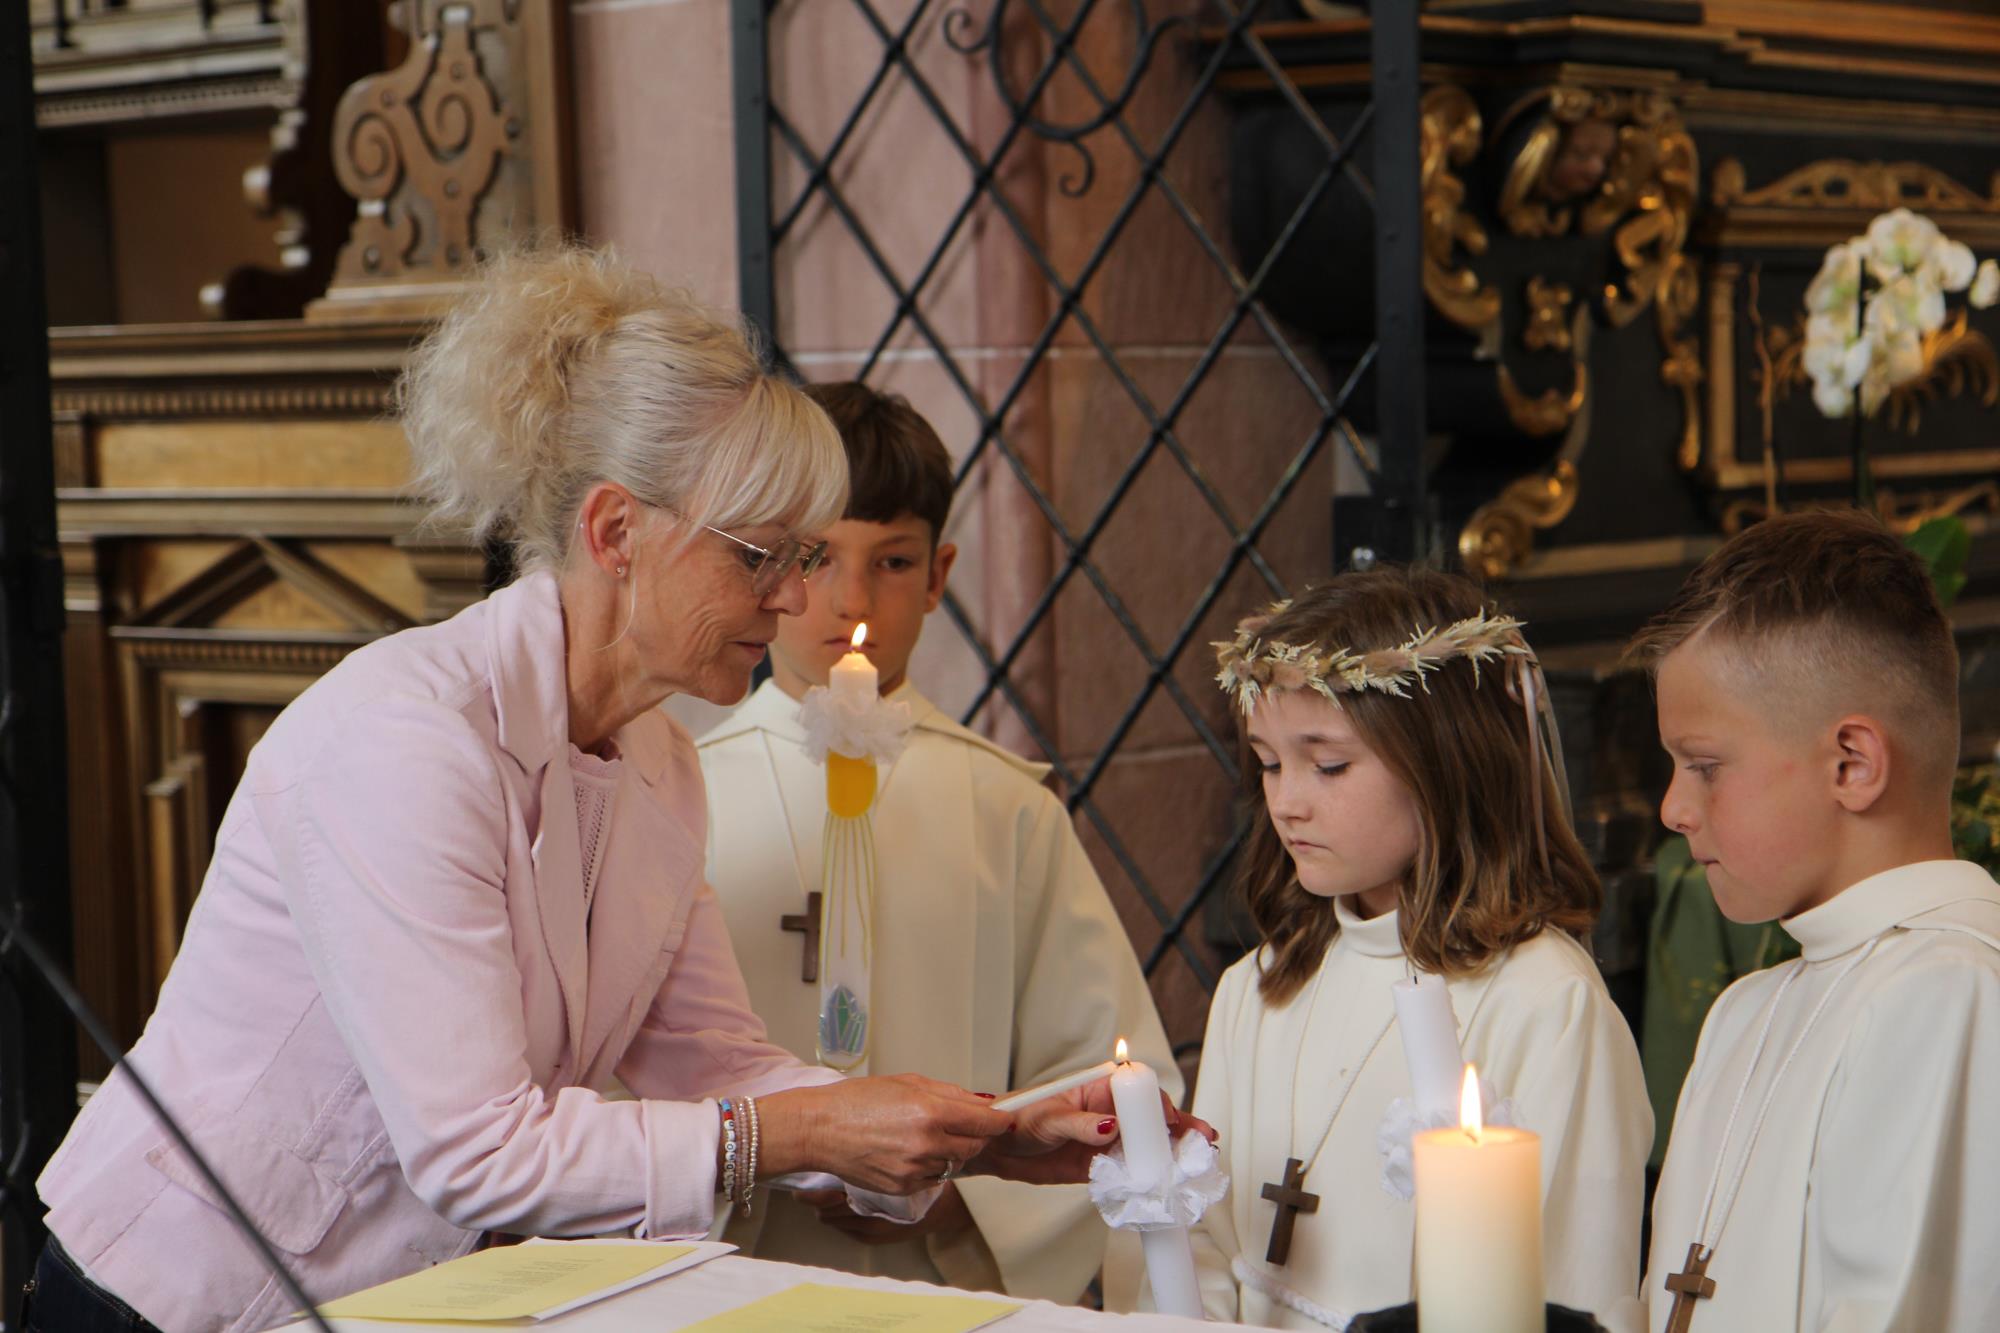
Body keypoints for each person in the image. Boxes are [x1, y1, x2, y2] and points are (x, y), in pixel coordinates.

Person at [30, 247, 1167, 1333]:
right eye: (759, 556)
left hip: (390, 1300)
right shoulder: (403, 740)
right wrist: (798, 1125)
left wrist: (978, 1135)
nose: (789, 604)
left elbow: (719, 1063)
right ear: (616, 529)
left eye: (802, 560)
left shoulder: (658, 760)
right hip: (180, 1298)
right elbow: (477, 1150)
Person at [695, 383, 1178, 1303]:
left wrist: (979, 1199)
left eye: (893, 561)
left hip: (946, 1277)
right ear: (767, 564)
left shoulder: (1005, 806)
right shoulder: (684, 789)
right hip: (736, 1263)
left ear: (941, 572)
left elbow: (1110, 1073)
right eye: (815, 556)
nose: (850, 599)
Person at [1189, 570, 1652, 1329]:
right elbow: (1204, 1246)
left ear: (1448, 761)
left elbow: (1573, 1288)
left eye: (1327, 764)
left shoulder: (1545, 1004)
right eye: (1269, 762)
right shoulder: (1260, 987)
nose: (1286, 800)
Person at [1629, 511, 2000, 1332]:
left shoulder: (1946, 992)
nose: (1674, 807)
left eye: (1705, 765)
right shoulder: (1746, 1010)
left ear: (1852, 765)